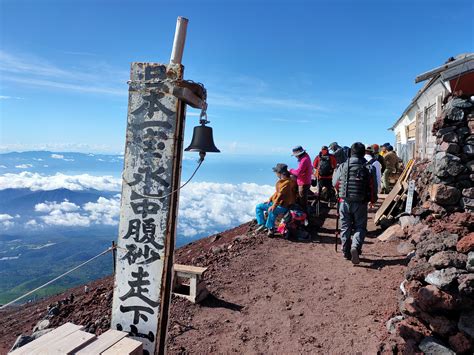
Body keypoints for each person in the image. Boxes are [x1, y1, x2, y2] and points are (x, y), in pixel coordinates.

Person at [333, 142, 377, 264]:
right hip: (361, 203)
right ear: (363, 153)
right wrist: (373, 200)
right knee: (360, 227)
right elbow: (373, 186)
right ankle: (355, 247)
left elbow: (334, 183)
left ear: (350, 152)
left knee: (345, 227)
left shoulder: (343, 166)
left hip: (344, 201)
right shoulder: (368, 167)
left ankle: (345, 251)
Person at [256, 164, 298, 237]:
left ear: (280, 173)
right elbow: (277, 193)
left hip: (283, 206)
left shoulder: (287, 183)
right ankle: (263, 225)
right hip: (279, 203)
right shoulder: (285, 180)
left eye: (276, 172)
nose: (275, 174)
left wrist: (273, 205)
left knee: (272, 210)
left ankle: (270, 229)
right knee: (259, 207)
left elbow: (280, 195)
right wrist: (270, 199)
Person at [289, 146, 312, 211]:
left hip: (303, 183)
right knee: (303, 201)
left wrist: (290, 170)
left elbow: (298, 172)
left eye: (295, 155)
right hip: (306, 180)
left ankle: (305, 218)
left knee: (303, 202)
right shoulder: (306, 156)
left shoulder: (304, 160)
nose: (295, 157)